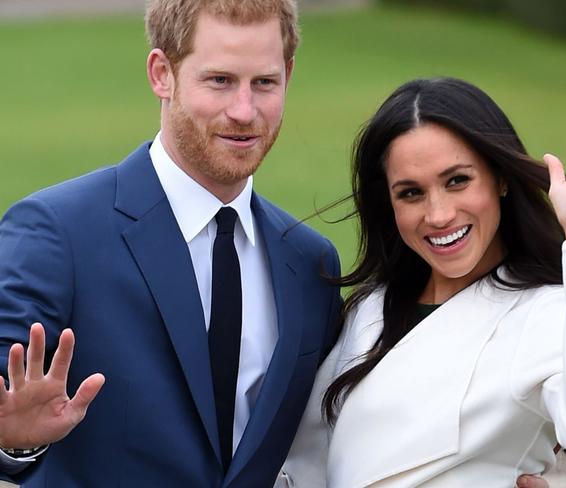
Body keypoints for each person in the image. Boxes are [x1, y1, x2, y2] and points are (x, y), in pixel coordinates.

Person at [0, 1, 342, 487]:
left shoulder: (310, 262)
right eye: (220, 80)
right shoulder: (56, 232)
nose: (244, 111)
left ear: (288, 74)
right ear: (162, 74)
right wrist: (13, 444)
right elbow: (8, 406)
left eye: (263, 82)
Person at [278, 78, 566, 487]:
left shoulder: (546, 312)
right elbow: (304, 462)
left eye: (457, 181)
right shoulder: (371, 308)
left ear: (500, 178)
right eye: (411, 193)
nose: (438, 215)